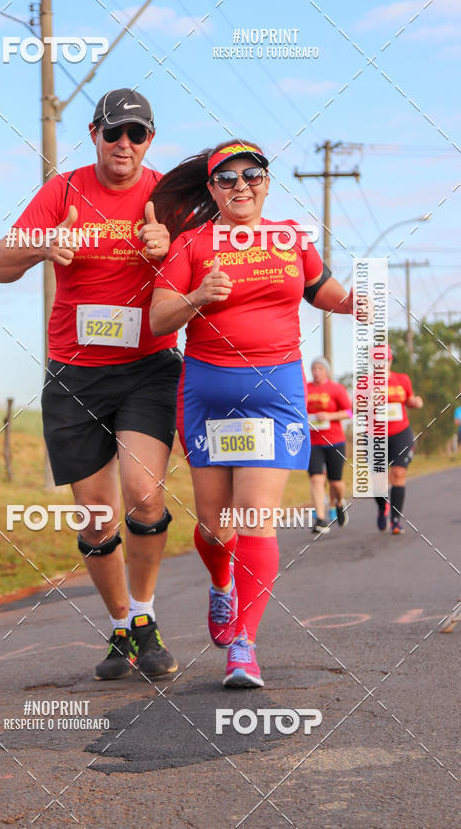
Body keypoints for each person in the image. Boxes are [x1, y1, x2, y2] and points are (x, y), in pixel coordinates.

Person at [0, 88, 182, 680]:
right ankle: (122, 626)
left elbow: (204, 262)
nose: (125, 144)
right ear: (94, 133)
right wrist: (43, 246)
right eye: (114, 132)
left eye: (137, 134)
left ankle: (146, 618)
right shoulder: (63, 191)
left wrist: (168, 246)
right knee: (97, 515)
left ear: (150, 140)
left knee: (143, 493)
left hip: (148, 365)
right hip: (76, 372)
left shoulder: (166, 196)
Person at [149, 139, 357, 688]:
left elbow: (327, 294)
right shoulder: (192, 244)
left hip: (276, 393)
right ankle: (221, 585)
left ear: (267, 181)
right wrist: (197, 296)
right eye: (227, 178)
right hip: (208, 393)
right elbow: (157, 320)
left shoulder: (291, 238)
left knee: (252, 519)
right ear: (212, 188)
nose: (241, 185)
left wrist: (367, 300)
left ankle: (244, 645)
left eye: (253, 175)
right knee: (217, 530)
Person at [375, 345, 423, 534]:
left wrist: (416, 402)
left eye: (385, 360)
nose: (382, 364)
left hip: (400, 432)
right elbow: (354, 409)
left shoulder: (402, 379)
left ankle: (395, 519)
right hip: (376, 435)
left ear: (390, 360)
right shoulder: (367, 382)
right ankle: (382, 507)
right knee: (377, 482)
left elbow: (410, 400)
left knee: (398, 474)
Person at [306, 356, 352, 534]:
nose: (316, 372)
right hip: (312, 442)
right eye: (314, 369)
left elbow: (349, 412)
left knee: (335, 483)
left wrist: (329, 416)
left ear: (327, 371)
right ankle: (320, 519)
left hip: (334, 441)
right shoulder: (306, 389)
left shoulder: (336, 388)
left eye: (320, 368)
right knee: (316, 479)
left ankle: (339, 503)